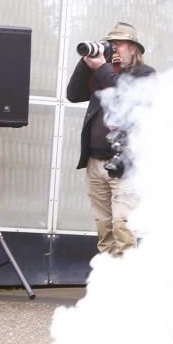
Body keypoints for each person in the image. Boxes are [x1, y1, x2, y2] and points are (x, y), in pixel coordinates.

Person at [66, 22, 156, 256]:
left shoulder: (144, 75)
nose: (114, 48)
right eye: (111, 43)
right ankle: (107, 279)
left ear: (134, 48)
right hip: (96, 162)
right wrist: (87, 62)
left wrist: (102, 67)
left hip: (125, 163)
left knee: (122, 225)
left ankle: (127, 281)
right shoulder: (101, 73)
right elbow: (73, 94)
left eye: (119, 44)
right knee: (104, 227)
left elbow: (129, 94)